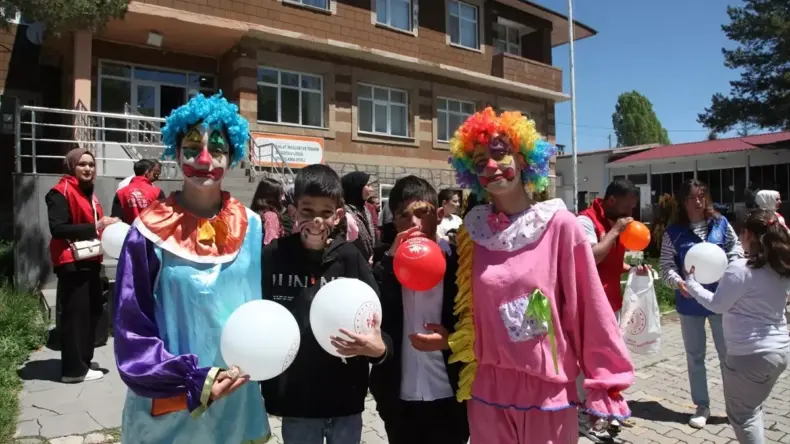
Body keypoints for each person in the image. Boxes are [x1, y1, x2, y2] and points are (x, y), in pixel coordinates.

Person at [446, 108, 633, 443]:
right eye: (479, 161)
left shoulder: (559, 226)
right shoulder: (473, 234)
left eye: (500, 154)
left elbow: (588, 308)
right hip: (488, 390)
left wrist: (605, 380)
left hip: (547, 390)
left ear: (523, 159)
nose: (491, 166)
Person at [112, 93, 270, 444]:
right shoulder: (147, 231)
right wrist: (189, 380)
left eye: (217, 149)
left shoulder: (253, 226)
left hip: (237, 399)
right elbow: (131, 327)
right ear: (175, 151)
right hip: (174, 403)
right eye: (193, 147)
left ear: (232, 156)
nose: (204, 159)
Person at [261, 164, 390, 444]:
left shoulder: (350, 258)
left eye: (326, 212)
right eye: (307, 211)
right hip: (297, 402)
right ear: (293, 211)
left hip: (345, 399)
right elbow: (258, 318)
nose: (316, 221)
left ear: (338, 215)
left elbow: (378, 318)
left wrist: (380, 350)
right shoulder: (273, 257)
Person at [370, 176, 470, 444]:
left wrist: (450, 341)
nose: (413, 223)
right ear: (394, 221)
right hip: (399, 401)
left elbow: (475, 324)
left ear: (439, 215)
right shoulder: (384, 263)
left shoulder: (460, 264)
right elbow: (374, 313)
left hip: (450, 398)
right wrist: (389, 263)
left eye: (422, 212)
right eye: (403, 216)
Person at [683, 209, 789, 443]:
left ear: (748, 234)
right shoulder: (781, 267)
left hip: (749, 357)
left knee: (743, 416)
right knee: (753, 407)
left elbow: (717, 305)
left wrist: (691, 283)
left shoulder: (741, 268)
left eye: (741, 232)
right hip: (780, 352)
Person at [659, 178, 744, 429]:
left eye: (701, 196)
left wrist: (731, 269)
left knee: (728, 355)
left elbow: (736, 249)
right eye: (692, 197)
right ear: (683, 202)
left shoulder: (721, 223)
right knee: (695, 357)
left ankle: (735, 406)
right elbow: (666, 266)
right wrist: (678, 283)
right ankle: (702, 406)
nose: (698, 202)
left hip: (721, 300)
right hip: (690, 304)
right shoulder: (673, 232)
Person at [576, 178, 648, 440]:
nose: (630, 213)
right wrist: (616, 231)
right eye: (627, 207)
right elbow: (590, 257)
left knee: (609, 362)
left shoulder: (615, 222)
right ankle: (581, 416)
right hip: (588, 306)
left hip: (610, 303)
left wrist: (632, 269)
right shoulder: (585, 221)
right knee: (587, 363)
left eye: (633, 208)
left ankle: (603, 409)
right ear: (612, 200)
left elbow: (610, 263)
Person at [46, 147, 119, 383]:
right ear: (71, 167)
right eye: (82, 164)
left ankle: (83, 363)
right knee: (76, 317)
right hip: (72, 263)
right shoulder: (60, 192)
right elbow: (58, 228)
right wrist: (96, 226)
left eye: (91, 164)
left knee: (91, 313)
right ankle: (73, 371)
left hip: (90, 261)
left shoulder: (87, 192)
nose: (88, 168)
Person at [111, 158, 165, 224]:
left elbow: (115, 219)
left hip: (128, 229)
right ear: (147, 172)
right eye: (153, 172)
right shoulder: (157, 192)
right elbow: (164, 216)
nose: (156, 175)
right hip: (149, 229)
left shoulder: (121, 192)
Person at [342, 171, 377, 262]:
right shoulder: (344, 212)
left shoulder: (365, 209)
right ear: (357, 188)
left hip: (369, 262)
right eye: (368, 185)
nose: (371, 189)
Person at [251, 177, 285, 245]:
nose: (282, 198)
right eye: (280, 194)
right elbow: (271, 242)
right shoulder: (271, 216)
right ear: (273, 196)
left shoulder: (253, 213)